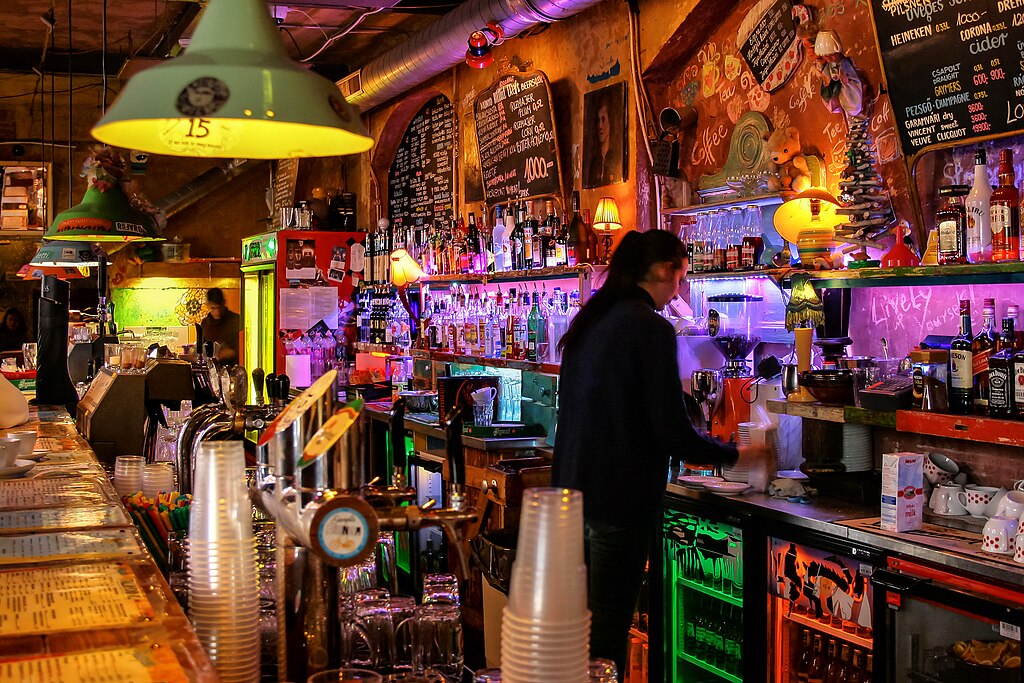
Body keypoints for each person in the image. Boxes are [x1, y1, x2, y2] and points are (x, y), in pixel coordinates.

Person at [552, 229, 771, 678]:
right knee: (605, 641)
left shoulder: (590, 322)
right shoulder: (649, 327)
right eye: (682, 276)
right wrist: (738, 456)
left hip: (570, 500)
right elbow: (671, 431)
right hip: (618, 503)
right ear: (665, 271)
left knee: (575, 635)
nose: (681, 289)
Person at [585, 89, 623, 187]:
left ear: (611, 122)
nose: (600, 126)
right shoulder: (594, 163)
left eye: (603, 120)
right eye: (598, 121)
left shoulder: (615, 157)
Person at [200, 288, 240, 365]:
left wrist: (229, 352)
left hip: (232, 369)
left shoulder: (236, 320)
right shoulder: (205, 324)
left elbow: (245, 348)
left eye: (219, 307)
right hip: (212, 370)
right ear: (208, 305)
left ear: (224, 303)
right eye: (213, 308)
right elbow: (202, 349)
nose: (217, 312)